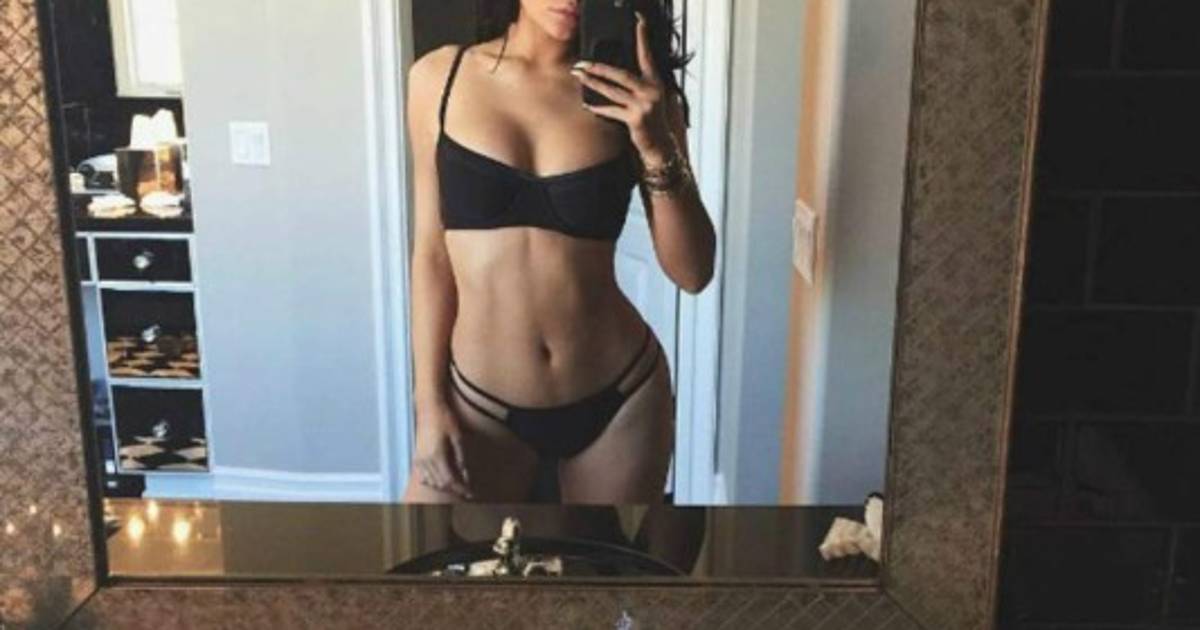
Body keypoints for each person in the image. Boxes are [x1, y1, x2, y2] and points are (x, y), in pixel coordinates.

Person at [403, 0, 715, 504]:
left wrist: (657, 145)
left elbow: (693, 272)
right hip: (478, 405)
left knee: (600, 558)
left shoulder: (638, 97)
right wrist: (429, 407)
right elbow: (431, 257)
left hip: (621, 399)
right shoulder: (438, 78)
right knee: (431, 554)